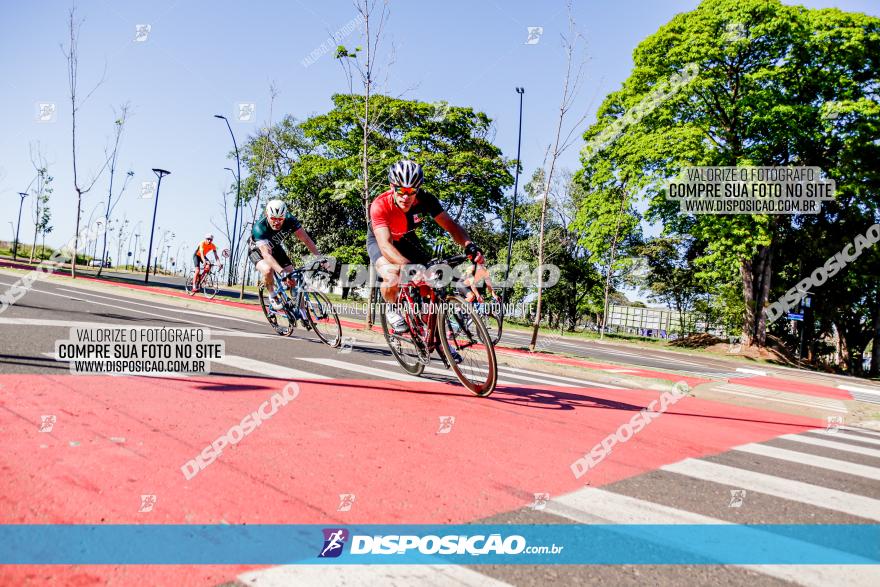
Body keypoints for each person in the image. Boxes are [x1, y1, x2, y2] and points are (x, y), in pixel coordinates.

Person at [367, 160, 484, 334]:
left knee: (431, 278)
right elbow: (385, 245)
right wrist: (408, 267)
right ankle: (391, 307)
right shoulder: (380, 205)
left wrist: (469, 245)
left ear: (418, 189)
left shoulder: (426, 200)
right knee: (392, 274)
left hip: (406, 239)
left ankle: (434, 335)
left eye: (412, 191)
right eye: (401, 190)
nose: (406, 196)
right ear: (392, 186)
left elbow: (451, 226)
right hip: (381, 241)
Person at [249, 199, 324, 310]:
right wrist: (282, 272)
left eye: (280, 219)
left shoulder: (290, 220)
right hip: (258, 250)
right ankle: (272, 295)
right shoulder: (259, 228)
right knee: (268, 270)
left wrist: (320, 258)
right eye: (273, 218)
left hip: (275, 247)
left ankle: (302, 313)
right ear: (266, 215)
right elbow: (266, 255)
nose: (276, 222)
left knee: (293, 277)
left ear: (285, 216)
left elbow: (306, 240)